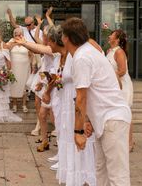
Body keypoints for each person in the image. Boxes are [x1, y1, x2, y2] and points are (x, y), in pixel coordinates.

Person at [61, 17, 131, 186]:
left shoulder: (82, 57)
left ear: (67, 38)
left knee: (117, 175)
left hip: (112, 119)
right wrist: (88, 120)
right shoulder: (86, 53)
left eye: (62, 35)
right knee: (101, 171)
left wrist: (78, 132)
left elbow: (81, 97)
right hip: (105, 118)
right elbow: (93, 91)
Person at [47, 25, 96, 186]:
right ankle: (74, 175)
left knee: (78, 138)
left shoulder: (79, 55)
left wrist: (83, 124)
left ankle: (84, 177)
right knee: (66, 134)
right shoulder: (67, 55)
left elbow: (82, 93)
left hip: (75, 99)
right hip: (67, 99)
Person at [107, 29, 134, 152]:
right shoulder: (109, 51)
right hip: (114, 85)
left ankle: (129, 143)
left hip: (122, 85)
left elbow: (122, 71)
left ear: (117, 39)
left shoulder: (119, 52)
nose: (109, 36)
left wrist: (108, 77)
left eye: (111, 35)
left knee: (125, 113)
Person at [7, 27, 31, 113]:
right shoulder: (11, 41)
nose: (18, 36)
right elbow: (6, 49)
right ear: (14, 35)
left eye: (20, 34)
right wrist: (14, 42)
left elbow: (31, 53)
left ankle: (24, 105)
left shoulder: (26, 41)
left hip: (25, 67)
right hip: (14, 67)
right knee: (14, 84)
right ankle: (14, 105)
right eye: (16, 34)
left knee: (24, 85)